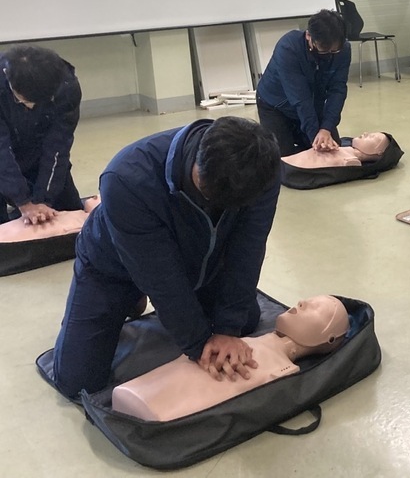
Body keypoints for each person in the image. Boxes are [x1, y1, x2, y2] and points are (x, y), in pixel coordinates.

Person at [50, 117, 281, 399]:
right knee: (77, 380)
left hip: (198, 260)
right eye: (206, 194)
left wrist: (226, 329)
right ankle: (129, 299)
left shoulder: (261, 170)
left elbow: (248, 247)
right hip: (114, 268)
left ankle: (181, 307)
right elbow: (161, 278)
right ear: (198, 157)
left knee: (244, 321)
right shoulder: (127, 178)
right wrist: (199, 346)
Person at [111, 295, 349, 422]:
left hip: (166, 412)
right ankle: (145, 396)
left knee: (218, 377)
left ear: (329, 338)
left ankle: (155, 411)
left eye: (316, 309)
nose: (301, 302)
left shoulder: (282, 369)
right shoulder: (265, 347)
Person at [0, 46, 83, 225]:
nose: (30, 108)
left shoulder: (66, 87)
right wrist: (22, 201)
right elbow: (1, 150)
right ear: (7, 75)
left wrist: (43, 199)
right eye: (22, 100)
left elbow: (58, 146)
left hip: (37, 149)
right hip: (3, 151)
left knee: (70, 215)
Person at [257, 9, 351, 156]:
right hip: (276, 106)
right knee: (282, 160)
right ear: (308, 35)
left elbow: (338, 90)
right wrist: (316, 138)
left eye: (335, 51)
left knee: (333, 151)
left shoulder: (343, 49)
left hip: (312, 105)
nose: (329, 56)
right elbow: (300, 99)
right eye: (324, 50)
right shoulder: (288, 48)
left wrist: (326, 128)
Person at [0, 196, 99, 244]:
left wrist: (42, 199)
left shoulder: (86, 223)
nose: (95, 196)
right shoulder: (83, 217)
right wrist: (24, 202)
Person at [281, 132, 389, 168]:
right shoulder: (348, 150)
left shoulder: (352, 160)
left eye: (372, 137)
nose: (365, 133)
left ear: (379, 152)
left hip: (294, 165)